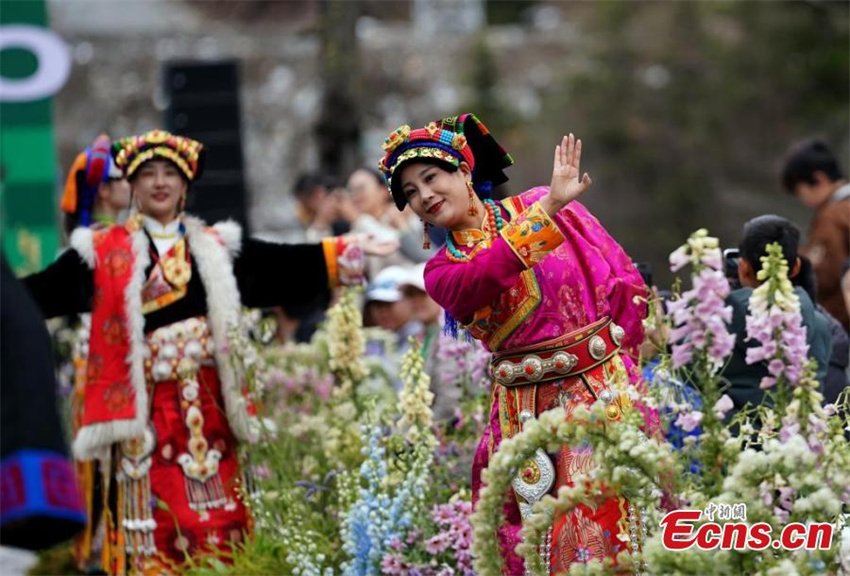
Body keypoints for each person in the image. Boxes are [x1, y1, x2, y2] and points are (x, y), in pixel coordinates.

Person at [22, 129, 394, 575]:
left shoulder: (214, 248)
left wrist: (347, 251)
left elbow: (277, 265)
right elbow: (42, 292)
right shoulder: (102, 252)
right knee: (156, 525)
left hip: (210, 408)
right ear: (133, 185)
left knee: (221, 524)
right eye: (148, 173)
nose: (160, 182)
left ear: (185, 183)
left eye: (170, 173)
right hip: (145, 416)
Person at [379, 113, 647, 573]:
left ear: (465, 171)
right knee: (555, 546)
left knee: (625, 530)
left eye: (430, 177)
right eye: (410, 192)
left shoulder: (543, 202)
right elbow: (487, 273)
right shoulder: (442, 272)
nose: (423, 195)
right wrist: (549, 210)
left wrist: (632, 370)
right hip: (526, 413)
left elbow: (621, 280)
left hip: (606, 392)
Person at [57, 134, 132, 572]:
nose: (132, 186)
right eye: (123, 179)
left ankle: (103, 550)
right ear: (103, 189)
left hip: (105, 365)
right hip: (106, 369)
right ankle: (105, 552)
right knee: (109, 465)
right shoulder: (99, 243)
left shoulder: (97, 238)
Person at [721, 215, 833, 420]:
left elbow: (688, 376)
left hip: (728, 432)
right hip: (795, 433)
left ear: (743, 266)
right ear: (796, 267)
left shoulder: (721, 316)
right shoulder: (820, 324)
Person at [781, 139, 850, 330]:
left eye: (800, 191)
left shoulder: (833, 217)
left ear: (818, 178)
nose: (802, 199)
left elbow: (825, 275)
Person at [60, 133, 131, 236]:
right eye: (123, 178)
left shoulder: (91, 237)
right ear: (103, 189)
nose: (129, 184)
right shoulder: (99, 238)